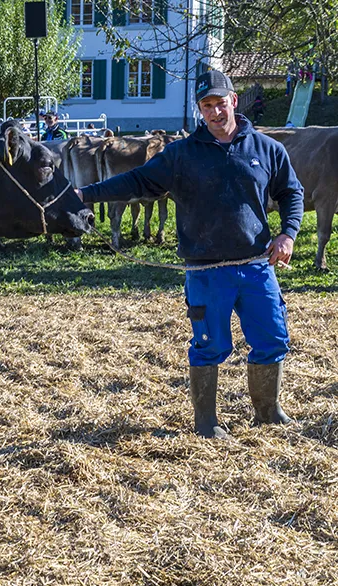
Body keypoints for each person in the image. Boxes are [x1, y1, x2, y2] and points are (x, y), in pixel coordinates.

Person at [74, 69, 304, 439]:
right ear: (200, 109)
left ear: (234, 99)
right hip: (206, 270)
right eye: (206, 105)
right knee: (210, 345)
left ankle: (268, 411)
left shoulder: (266, 149)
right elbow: (137, 181)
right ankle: (207, 422)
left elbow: (292, 192)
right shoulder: (180, 155)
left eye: (219, 102)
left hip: (258, 267)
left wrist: (288, 235)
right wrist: (86, 194)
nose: (215, 112)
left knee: (272, 337)